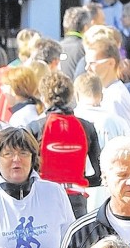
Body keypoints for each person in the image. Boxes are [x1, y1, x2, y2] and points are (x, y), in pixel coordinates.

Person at [27, 71, 103, 218]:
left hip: (43, 198)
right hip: (76, 199)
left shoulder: (35, 128)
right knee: (77, 240)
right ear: (71, 96)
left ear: (43, 98)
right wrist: (81, 181)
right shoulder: (86, 127)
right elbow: (99, 173)